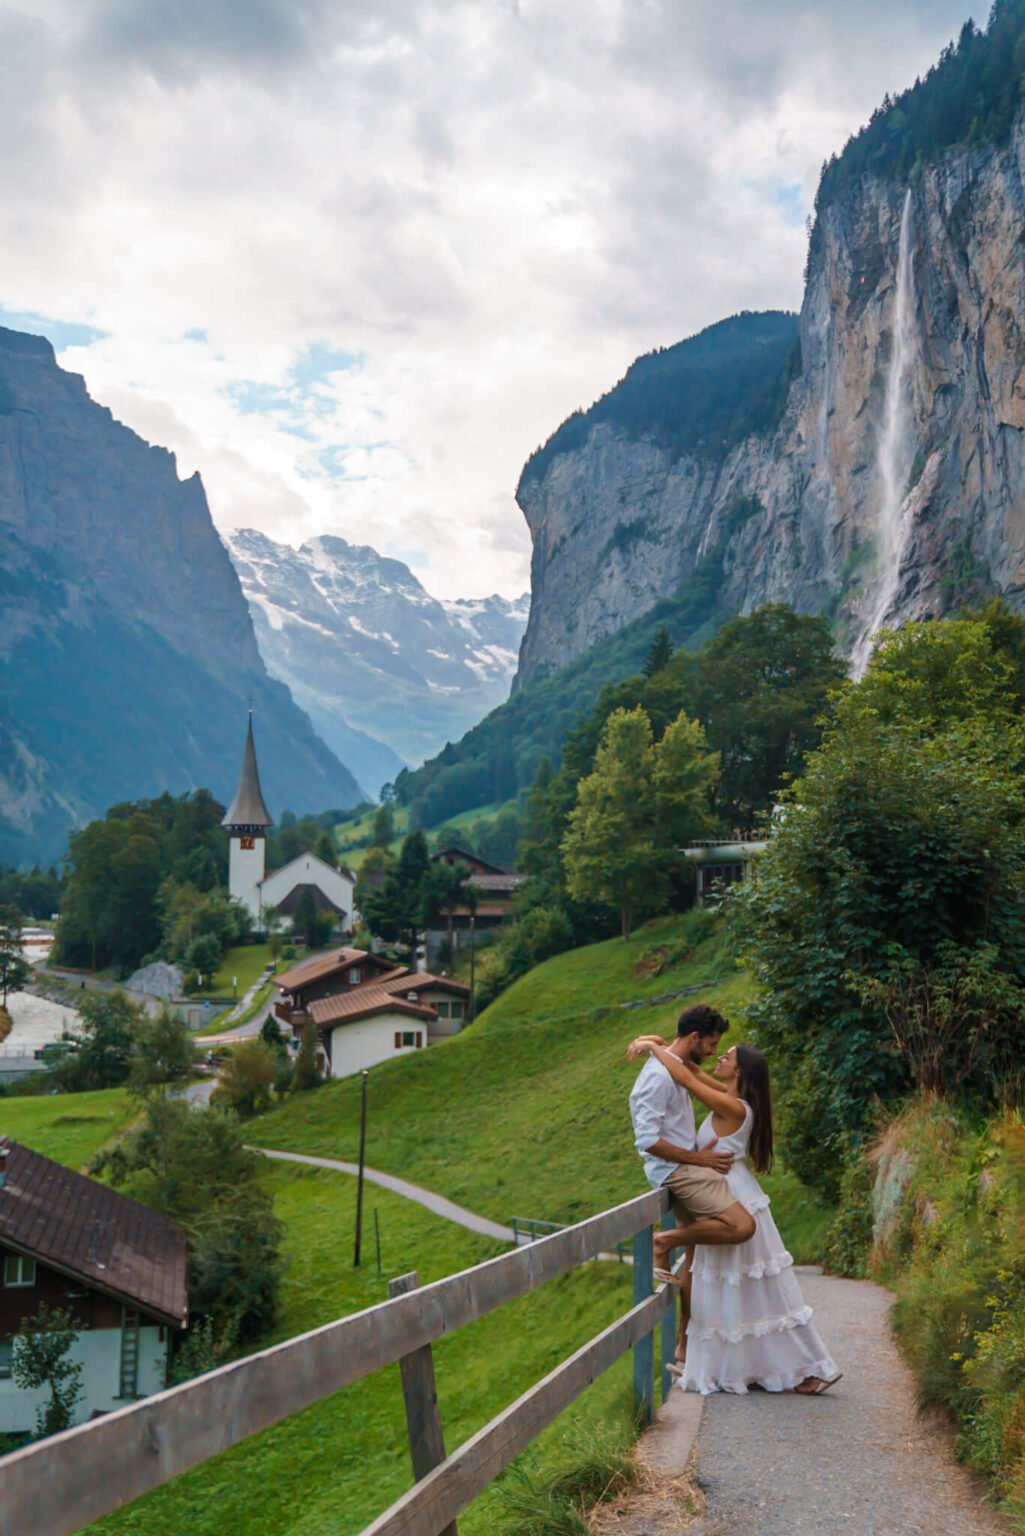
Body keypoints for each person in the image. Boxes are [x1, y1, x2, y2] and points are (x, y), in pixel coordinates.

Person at [628, 1032, 841, 1396]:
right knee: (737, 1287)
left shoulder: (734, 1107)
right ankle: (744, 1365)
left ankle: (810, 1365)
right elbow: (690, 1067)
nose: (719, 1058)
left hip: (732, 1191)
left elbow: (684, 1078)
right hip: (728, 1186)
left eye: (726, 1057)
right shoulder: (732, 1097)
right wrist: (664, 1044)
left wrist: (649, 1049)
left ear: (739, 1071)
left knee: (761, 1288)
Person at [628, 1004, 757, 1374]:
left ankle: (685, 1348)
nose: (716, 1051)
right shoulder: (658, 1078)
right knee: (740, 1227)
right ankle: (663, 1241)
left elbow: (688, 1069)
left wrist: (653, 1042)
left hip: (687, 1165)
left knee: (697, 1264)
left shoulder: (677, 1067)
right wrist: (698, 1161)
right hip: (678, 1170)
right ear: (697, 1038)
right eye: (713, 1043)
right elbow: (649, 1140)